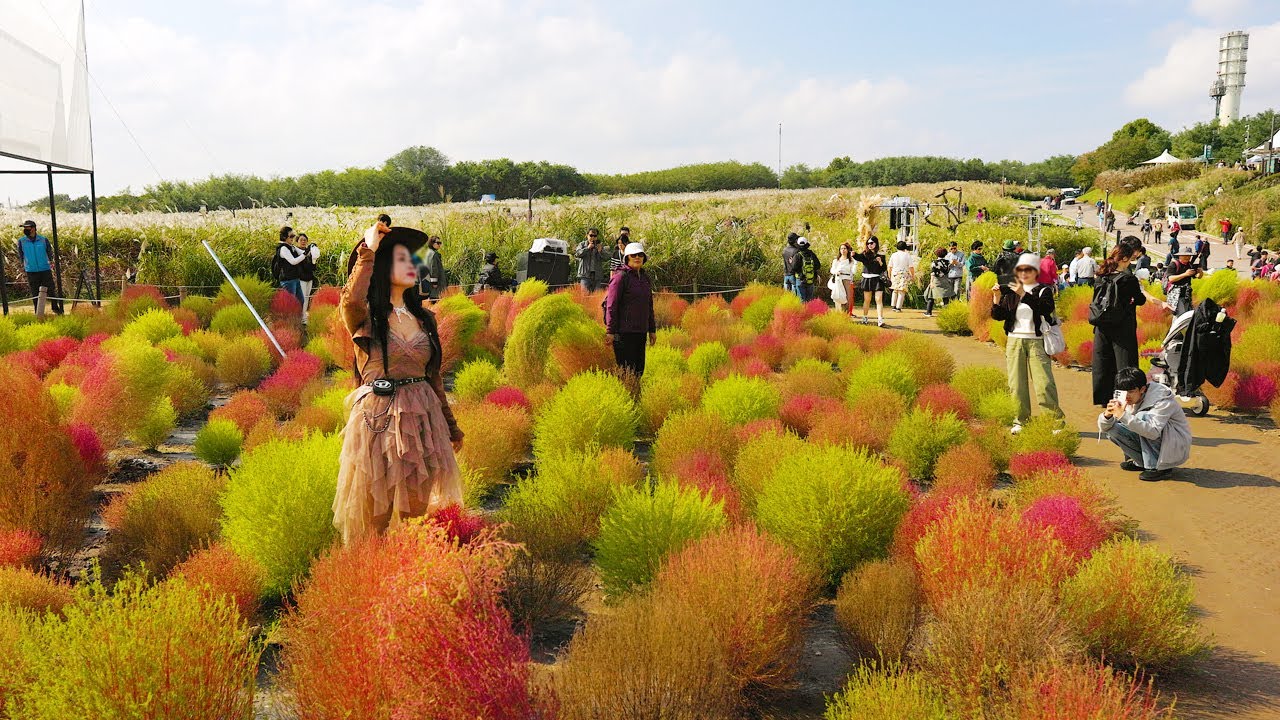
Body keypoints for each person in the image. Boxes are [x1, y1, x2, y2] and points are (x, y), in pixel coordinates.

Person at [333, 221, 463, 544]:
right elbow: (349, 301)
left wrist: (451, 426)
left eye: (413, 260)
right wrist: (369, 252)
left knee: (415, 515)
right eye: (403, 259)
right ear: (384, 265)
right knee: (374, 516)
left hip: (422, 424)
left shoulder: (425, 319)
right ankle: (369, 582)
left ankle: (404, 578)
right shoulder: (365, 317)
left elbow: (434, 378)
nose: (413, 265)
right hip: (377, 423)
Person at [991, 252, 1063, 434]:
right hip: (1015, 341)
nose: (1023, 273)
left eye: (1028, 269)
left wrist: (1023, 293)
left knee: (1044, 383)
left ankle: (1054, 422)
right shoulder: (1012, 291)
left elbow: (1045, 308)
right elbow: (999, 316)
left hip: (1037, 342)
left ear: (1035, 271)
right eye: (1020, 270)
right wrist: (997, 297)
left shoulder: (1043, 290)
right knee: (1016, 384)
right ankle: (1020, 421)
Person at [1098, 367, 1192, 482]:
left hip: (1174, 445)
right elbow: (1104, 429)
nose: (1127, 396)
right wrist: (1107, 416)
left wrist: (1123, 415)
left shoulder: (1162, 399)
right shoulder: (1125, 398)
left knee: (1141, 417)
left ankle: (1159, 468)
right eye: (1123, 391)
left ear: (1142, 389)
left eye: (1131, 391)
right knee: (1113, 428)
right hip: (1156, 440)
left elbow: (1152, 432)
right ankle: (1141, 462)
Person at [1089, 243, 1147, 407]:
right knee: (1125, 364)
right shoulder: (1128, 279)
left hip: (1101, 325)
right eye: (1130, 259)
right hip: (1122, 327)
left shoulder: (1101, 276)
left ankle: (1104, 399)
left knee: (1102, 362)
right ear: (1124, 259)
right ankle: (1125, 399)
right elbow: (1140, 300)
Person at [604, 242, 656, 377]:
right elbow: (611, 305)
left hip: (640, 331)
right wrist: (610, 331)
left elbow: (649, 305)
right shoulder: (620, 277)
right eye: (633, 255)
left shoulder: (645, 278)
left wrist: (652, 330)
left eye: (640, 255)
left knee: (639, 371)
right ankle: (625, 396)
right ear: (627, 258)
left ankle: (634, 396)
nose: (637, 257)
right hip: (623, 333)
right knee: (626, 372)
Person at [16, 220, 62, 315]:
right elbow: (21, 255)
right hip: (31, 270)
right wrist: (23, 266)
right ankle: (38, 312)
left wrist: (51, 262)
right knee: (35, 292)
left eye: (27, 228)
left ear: (33, 229)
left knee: (51, 289)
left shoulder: (43, 240)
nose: (25, 230)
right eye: (24, 228)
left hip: (45, 269)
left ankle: (55, 308)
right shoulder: (21, 241)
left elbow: (50, 253)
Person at [853, 236, 888, 327]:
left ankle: (880, 319)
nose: (870, 245)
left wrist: (880, 262)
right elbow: (858, 257)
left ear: (876, 243)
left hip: (877, 279)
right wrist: (853, 254)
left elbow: (884, 268)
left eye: (871, 243)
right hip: (867, 278)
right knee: (867, 300)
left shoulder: (881, 255)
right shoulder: (865, 254)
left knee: (878, 299)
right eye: (868, 243)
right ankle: (865, 317)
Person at [273, 226, 306, 305]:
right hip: (288, 280)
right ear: (284, 237)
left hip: (295, 278)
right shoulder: (283, 248)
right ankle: (290, 317)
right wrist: (305, 254)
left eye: (293, 236)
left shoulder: (291, 247)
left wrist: (310, 249)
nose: (293, 238)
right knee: (290, 304)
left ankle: (297, 317)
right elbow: (293, 261)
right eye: (291, 236)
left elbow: (302, 252)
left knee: (300, 301)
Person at [1165, 247, 1200, 316]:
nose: (1187, 257)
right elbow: (1171, 279)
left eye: (1189, 256)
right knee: (1181, 315)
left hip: (1186, 294)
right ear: (1180, 256)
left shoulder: (1190, 265)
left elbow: (1197, 277)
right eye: (1185, 255)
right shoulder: (1174, 264)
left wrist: (1200, 272)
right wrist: (1185, 274)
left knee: (1186, 315)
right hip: (1176, 294)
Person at [297, 233, 321, 324]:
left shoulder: (310, 252)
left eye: (305, 240)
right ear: (297, 241)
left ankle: (304, 317)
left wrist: (314, 259)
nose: (303, 242)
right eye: (301, 240)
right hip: (301, 278)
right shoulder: (296, 252)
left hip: (309, 278)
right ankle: (299, 317)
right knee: (302, 298)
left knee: (306, 298)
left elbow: (313, 268)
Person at [888, 240, 914, 312]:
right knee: (901, 291)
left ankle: (893, 306)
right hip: (903, 274)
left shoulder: (894, 255)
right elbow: (911, 267)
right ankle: (898, 307)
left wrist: (889, 275)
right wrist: (912, 275)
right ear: (905, 247)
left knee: (895, 290)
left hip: (895, 273)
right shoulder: (907, 255)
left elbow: (890, 266)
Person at [924, 247, 951, 317]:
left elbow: (933, 273)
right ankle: (946, 313)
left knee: (931, 296)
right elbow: (948, 271)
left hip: (936, 280)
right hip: (945, 280)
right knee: (945, 297)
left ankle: (928, 312)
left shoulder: (934, 262)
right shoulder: (947, 262)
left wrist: (931, 282)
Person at [829, 242, 855, 314]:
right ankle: (839, 313)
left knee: (848, 297)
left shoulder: (851, 260)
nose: (843, 250)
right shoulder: (836, 260)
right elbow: (832, 270)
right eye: (841, 249)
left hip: (847, 279)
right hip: (838, 279)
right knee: (839, 296)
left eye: (844, 248)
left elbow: (852, 270)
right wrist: (836, 272)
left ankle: (846, 313)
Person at [793, 237, 821, 302]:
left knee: (801, 300)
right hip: (810, 279)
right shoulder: (812, 254)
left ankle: (803, 312)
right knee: (810, 300)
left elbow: (794, 268)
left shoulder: (798, 255)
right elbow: (818, 266)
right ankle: (810, 311)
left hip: (800, 280)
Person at [420, 235, 447, 300]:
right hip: (435, 285)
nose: (439, 245)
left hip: (428, 282)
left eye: (440, 243)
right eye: (438, 243)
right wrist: (434, 282)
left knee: (432, 301)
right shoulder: (434, 254)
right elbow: (434, 269)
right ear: (432, 243)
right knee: (436, 300)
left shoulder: (428, 253)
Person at [782, 232, 801, 297]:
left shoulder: (784, 250)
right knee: (794, 296)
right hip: (793, 275)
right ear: (795, 241)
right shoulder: (796, 251)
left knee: (787, 297)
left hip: (786, 274)